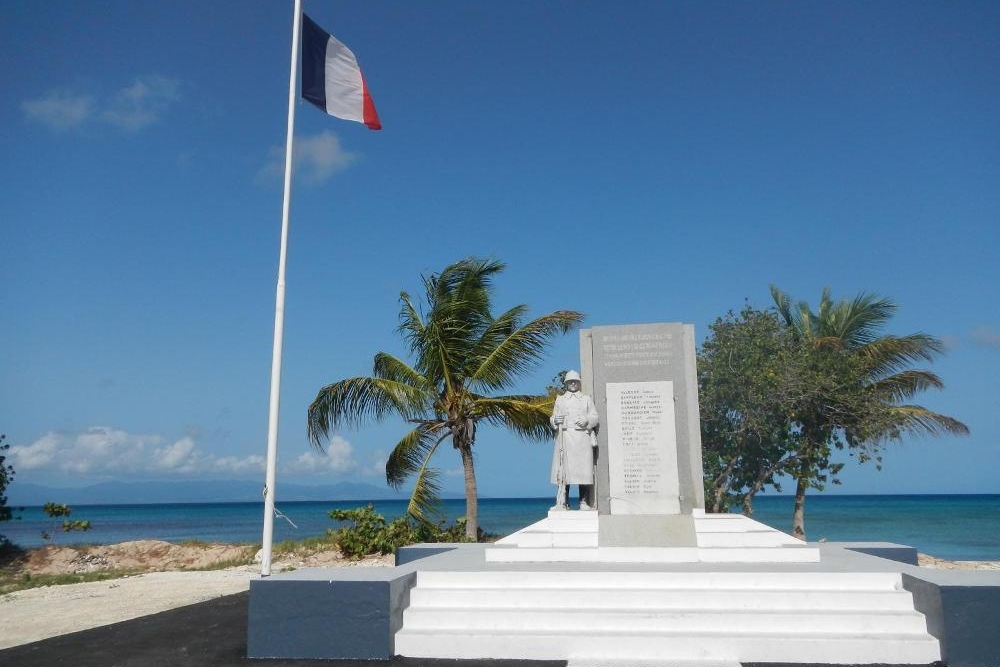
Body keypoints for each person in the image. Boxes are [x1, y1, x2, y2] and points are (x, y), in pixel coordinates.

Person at [550, 370, 599, 510]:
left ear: (579, 383)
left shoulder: (586, 399)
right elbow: (553, 418)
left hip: (582, 438)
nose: (572, 383)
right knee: (564, 470)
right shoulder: (560, 399)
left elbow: (594, 416)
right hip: (565, 437)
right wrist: (555, 420)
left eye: (575, 381)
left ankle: (583, 501)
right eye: (570, 381)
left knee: (582, 471)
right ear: (566, 383)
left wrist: (586, 420)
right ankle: (562, 501)